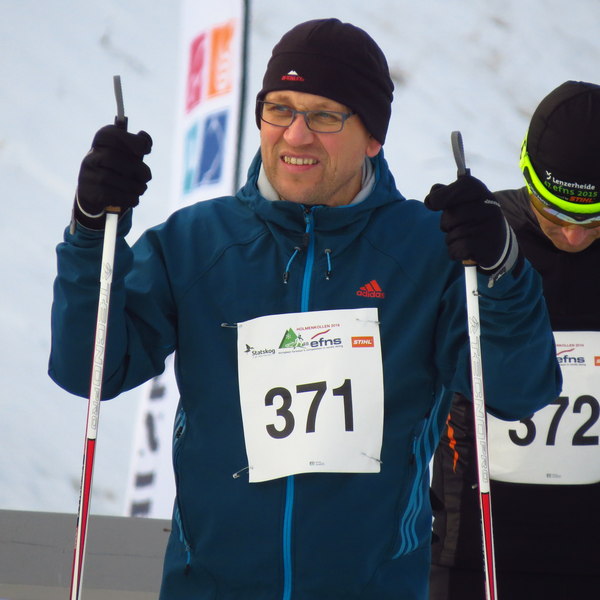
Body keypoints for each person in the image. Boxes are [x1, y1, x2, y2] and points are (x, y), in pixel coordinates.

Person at [49, 19, 560, 600]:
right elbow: (87, 370)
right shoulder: (196, 243)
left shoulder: (429, 252)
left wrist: (499, 272)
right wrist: (91, 230)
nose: (296, 135)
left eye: (324, 116)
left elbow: (520, 390)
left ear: (373, 137)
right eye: (280, 109)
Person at [429, 80, 600, 600]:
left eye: (594, 218)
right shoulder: (478, 238)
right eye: (555, 213)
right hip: (474, 554)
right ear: (526, 175)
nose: (573, 236)